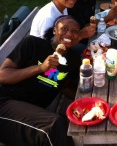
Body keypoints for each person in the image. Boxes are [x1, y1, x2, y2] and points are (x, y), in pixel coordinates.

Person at [0, 15, 82, 146]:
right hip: (5, 102)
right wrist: (40, 68)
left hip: (32, 112)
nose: (69, 34)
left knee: (67, 124)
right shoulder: (33, 44)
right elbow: (2, 75)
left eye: (75, 31)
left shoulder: (73, 60)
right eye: (64, 29)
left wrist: (88, 99)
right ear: (55, 30)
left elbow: (64, 86)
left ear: (78, 36)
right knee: (53, 127)